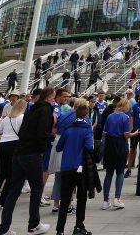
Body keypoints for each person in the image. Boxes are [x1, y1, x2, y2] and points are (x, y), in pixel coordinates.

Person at [0, 87, 55, 235]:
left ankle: (4, 228)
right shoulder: (46, 110)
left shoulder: (31, 109)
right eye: (53, 97)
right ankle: (34, 224)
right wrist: (46, 142)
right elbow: (42, 132)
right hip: (32, 153)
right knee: (36, 189)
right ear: (49, 97)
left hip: (19, 152)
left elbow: (24, 131)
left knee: (13, 191)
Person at [54, 98, 95, 235]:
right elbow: (90, 147)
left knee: (65, 199)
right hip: (80, 167)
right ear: (86, 114)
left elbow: (59, 147)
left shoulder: (68, 129)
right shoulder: (87, 129)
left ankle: (60, 230)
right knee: (81, 197)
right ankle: (79, 226)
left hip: (66, 167)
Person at [0, 99, 27, 211]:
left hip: (2, 145)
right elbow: (23, 133)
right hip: (14, 146)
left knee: (2, 174)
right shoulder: (22, 118)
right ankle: (4, 199)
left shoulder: (6, 118)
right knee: (12, 174)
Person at [101, 98, 137, 210]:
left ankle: (105, 200)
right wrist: (134, 134)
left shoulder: (110, 116)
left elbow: (105, 131)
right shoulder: (125, 117)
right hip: (120, 144)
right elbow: (126, 135)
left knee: (109, 173)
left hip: (109, 145)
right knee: (120, 172)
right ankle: (117, 198)